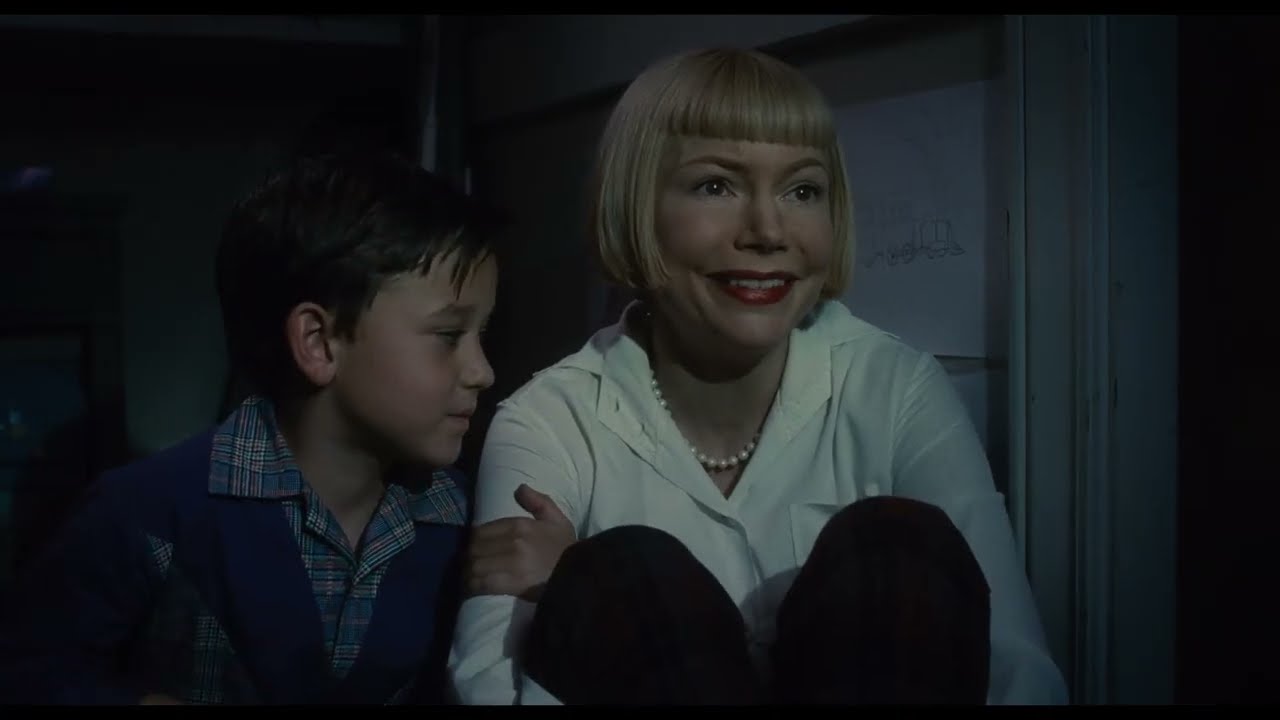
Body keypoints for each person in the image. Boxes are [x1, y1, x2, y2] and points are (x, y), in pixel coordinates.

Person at [448, 48, 1067, 705]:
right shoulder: (548, 418)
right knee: (622, 573)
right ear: (636, 207)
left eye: (802, 191)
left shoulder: (896, 385)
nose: (769, 231)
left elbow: (1015, 668)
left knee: (896, 547)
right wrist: (586, 595)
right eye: (717, 186)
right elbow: (491, 688)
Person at [0, 152, 502, 704]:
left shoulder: (469, 522)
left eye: (481, 335)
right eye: (448, 336)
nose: (482, 371)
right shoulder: (148, 514)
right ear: (318, 342)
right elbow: (30, 669)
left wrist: (549, 582)